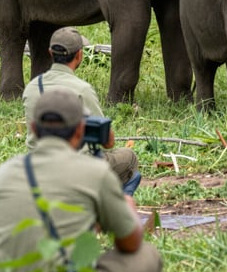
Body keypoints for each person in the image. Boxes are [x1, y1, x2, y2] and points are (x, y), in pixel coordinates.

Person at [0, 87, 162, 272]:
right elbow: (129, 243)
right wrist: (127, 208)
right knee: (147, 255)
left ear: (33, 129)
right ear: (81, 130)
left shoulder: (5, 173)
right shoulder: (95, 173)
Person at [22, 26, 141, 195]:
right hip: (76, 169)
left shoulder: (32, 88)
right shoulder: (81, 89)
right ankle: (115, 205)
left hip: (38, 166)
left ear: (50, 53)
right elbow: (106, 140)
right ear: (79, 55)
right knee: (129, 157)